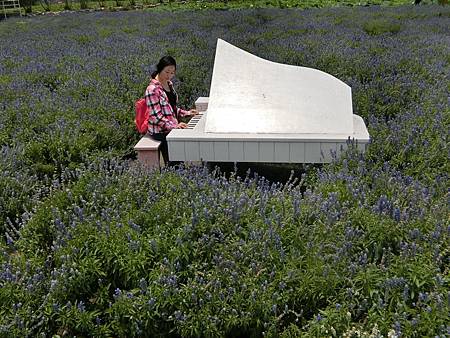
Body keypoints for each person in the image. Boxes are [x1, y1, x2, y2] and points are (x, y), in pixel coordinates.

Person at [145, 56, 198, 164]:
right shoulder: (152, 90)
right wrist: (174, 126)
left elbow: (171, 108)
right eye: (167, 72)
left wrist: (187, 113)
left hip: (170, 126)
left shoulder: (169, 84)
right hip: (160, 131)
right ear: (160, 69)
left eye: (172, 73)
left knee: (184, 148)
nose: (169, 76)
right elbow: (156, 117)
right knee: (175, 160)